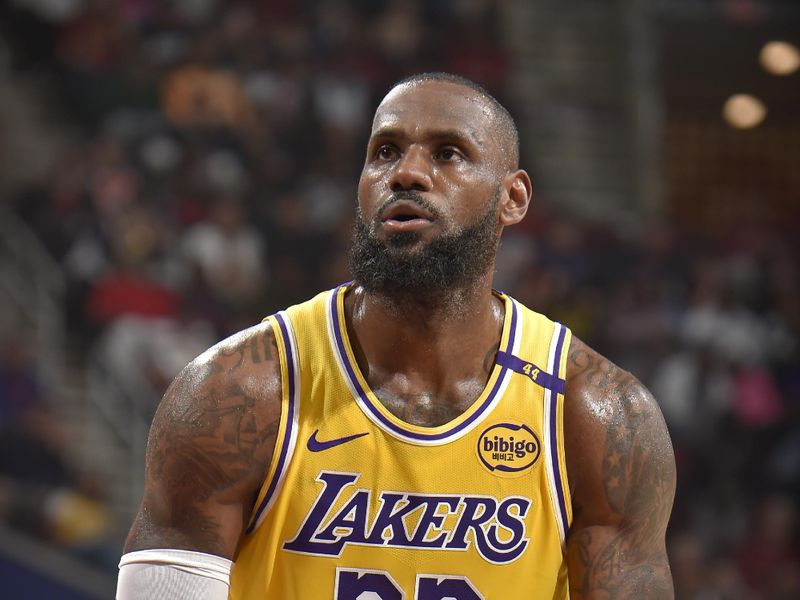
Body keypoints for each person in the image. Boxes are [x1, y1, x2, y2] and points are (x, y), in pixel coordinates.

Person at [116, 72, 676, 599]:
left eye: (448, 153)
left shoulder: (597, 415)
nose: (405, 173)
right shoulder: (238, 394)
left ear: (514, 198)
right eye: (385, 151)